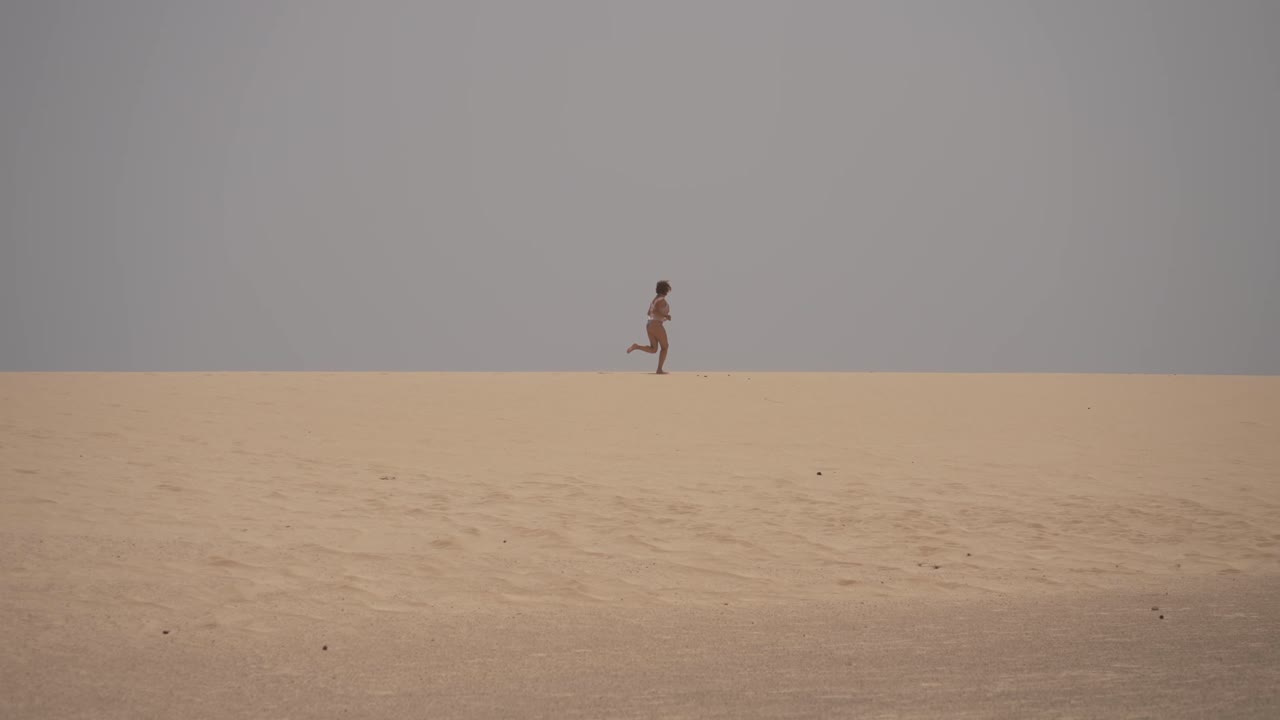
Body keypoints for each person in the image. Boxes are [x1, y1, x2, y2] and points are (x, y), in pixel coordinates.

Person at [627, 280, 672, 374]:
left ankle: (637, 346)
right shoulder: (661, 300)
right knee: (665, 347)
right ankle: (659, 369)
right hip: (656, 325)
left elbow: (649, 312)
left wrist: (662, 316)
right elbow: (655, 311)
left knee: (654, 349)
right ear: (666, 290)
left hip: (649, 325)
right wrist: (665, 316)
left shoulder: (655, 299)